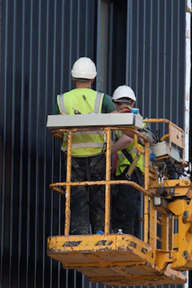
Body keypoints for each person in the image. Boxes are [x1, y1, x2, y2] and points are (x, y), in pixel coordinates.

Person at [53, 57, 117, 235]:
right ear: (93, 78)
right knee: (99, 196)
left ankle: (79, 231)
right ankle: (101, 231)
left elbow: (55, 129)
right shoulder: (102, 99)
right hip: (97, 156)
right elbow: (118, 121)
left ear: (73, 78)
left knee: (76, 196)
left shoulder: (62, 100)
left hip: (73, 157)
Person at [110, 85, 145, 237]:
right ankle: (130, 235)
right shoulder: (122, 122)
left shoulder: (135, 121)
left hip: (131, 170)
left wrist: (108, 152)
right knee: (126, 207)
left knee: (125, 206)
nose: (123, 106)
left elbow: (128, 138)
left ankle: (125, 235)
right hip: (125, 170)